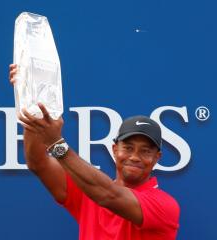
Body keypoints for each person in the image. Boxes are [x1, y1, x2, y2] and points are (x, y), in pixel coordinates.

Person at [9, 64, 180, 240]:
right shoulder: (88, 189)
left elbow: (109, 196)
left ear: (157, 158)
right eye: (128, 148)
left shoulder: (164, 206)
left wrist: (56, 143)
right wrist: (33, 103)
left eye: (145, 151)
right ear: (115, 149)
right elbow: (38, 162)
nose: (135, 157)